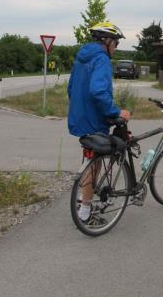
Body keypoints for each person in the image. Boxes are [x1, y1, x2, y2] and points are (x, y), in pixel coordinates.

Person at [67, 22, 131, 222]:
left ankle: (81, 202)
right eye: (116, 43)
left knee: (89, 162)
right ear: (107, 41)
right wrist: (115, 111)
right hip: (94, 120)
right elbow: (98, 91)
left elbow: (70, 89)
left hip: (80, 118)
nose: (116, 47)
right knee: (94, 165)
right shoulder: (101, 59)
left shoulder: (82, 57)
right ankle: (85, 213)